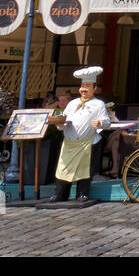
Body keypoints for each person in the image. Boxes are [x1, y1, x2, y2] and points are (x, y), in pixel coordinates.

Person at [43, 66, 111, 206]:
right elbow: (65, 117)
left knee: (84, 171)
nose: (84, 89)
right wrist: (59, 122)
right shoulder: (73, 103)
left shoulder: (99, 104)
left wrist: (100, 122)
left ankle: (82, 193)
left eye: (87, 86)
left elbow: (107, 122)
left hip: (86, 143)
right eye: (82, 86)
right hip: (69, 143)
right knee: (63, 169)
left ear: (94, 88)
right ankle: (60, 194)